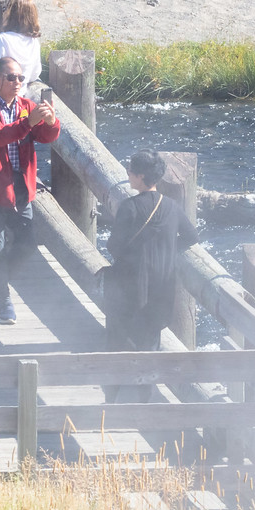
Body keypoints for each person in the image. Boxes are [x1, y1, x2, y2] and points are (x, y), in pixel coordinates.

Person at [0, 55, 61, 324]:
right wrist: (29, 122)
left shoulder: (25, 106)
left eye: (21, 77)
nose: (18, 82)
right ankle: (4, 300)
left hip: (20, 187)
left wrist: (51, 121)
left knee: (27, 245)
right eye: (11, 77)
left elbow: (46, 136)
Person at [104, 150, 198, 359]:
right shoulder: (172, 206)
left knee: (122, 345)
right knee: (150, 344)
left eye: (131, 171)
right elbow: (192, 236)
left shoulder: (130, 207)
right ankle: (146, 388)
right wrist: (169, 248)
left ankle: (121, 385)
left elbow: (113, 246)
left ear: (141, 176)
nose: (128, 173)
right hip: (161, 286)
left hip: (130, 287)